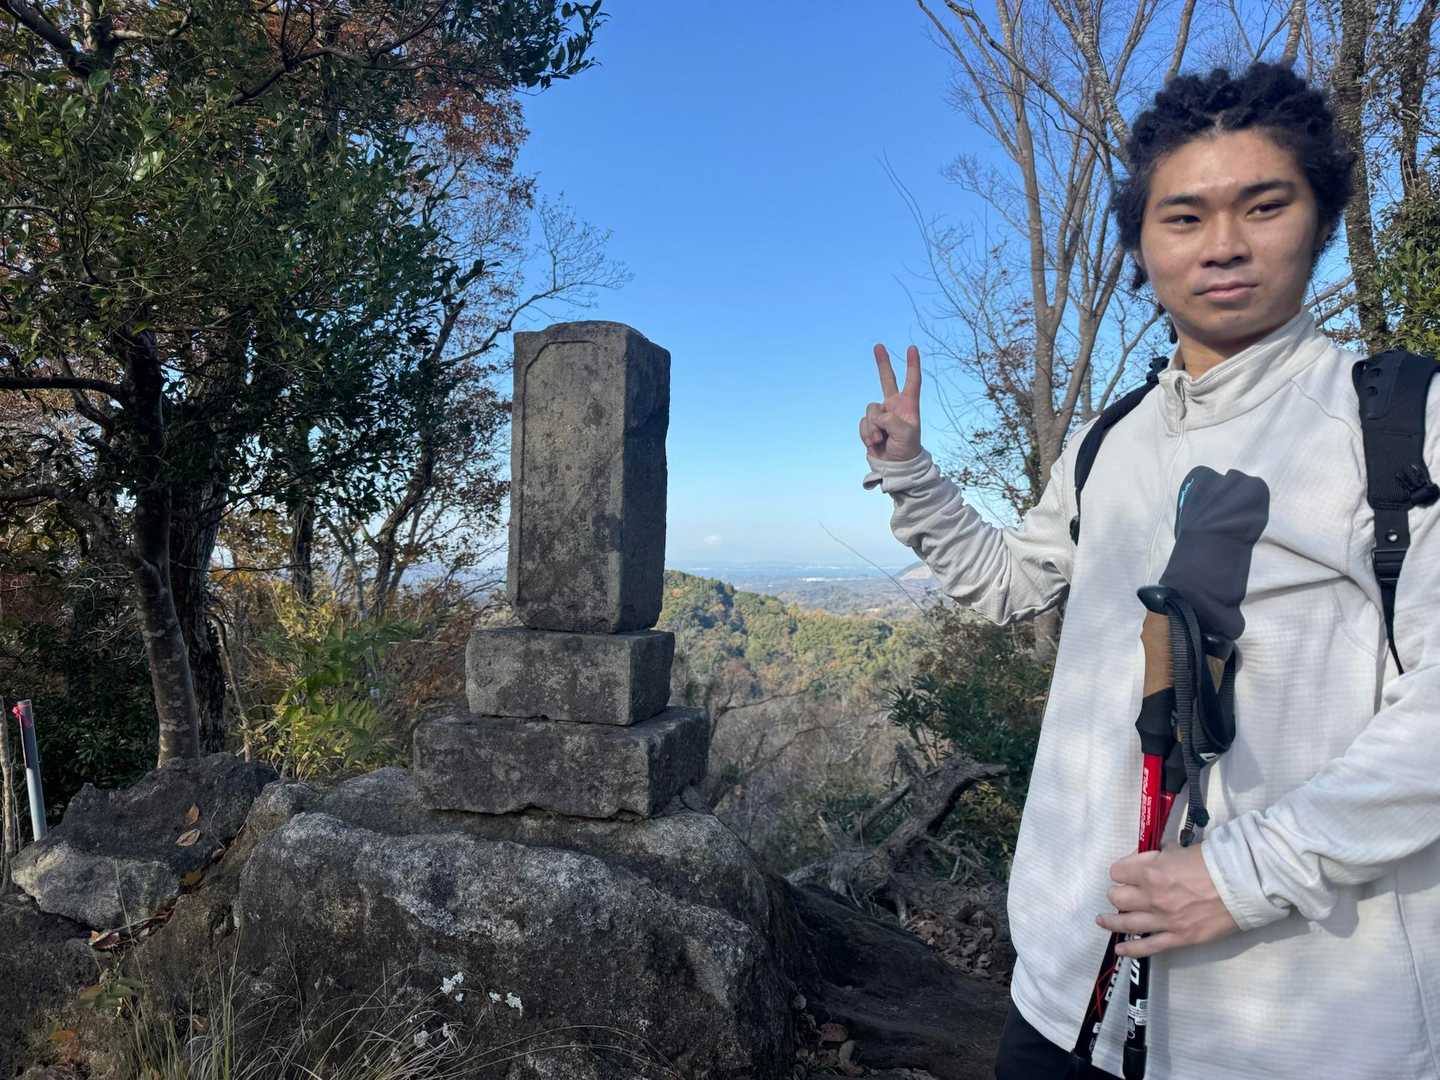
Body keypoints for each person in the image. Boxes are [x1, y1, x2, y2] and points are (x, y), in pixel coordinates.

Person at [859, 62, 1440, 1080]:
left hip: (1300, 1029)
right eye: (1184, 217)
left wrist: (1244, 872)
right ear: (1141, 244)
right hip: (1066, 989)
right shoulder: (1111, 438)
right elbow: (1009, 583)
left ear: (1321, 216)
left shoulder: (1399, 426)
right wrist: (910, 474)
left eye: (1264, 205)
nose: (1224, 244)